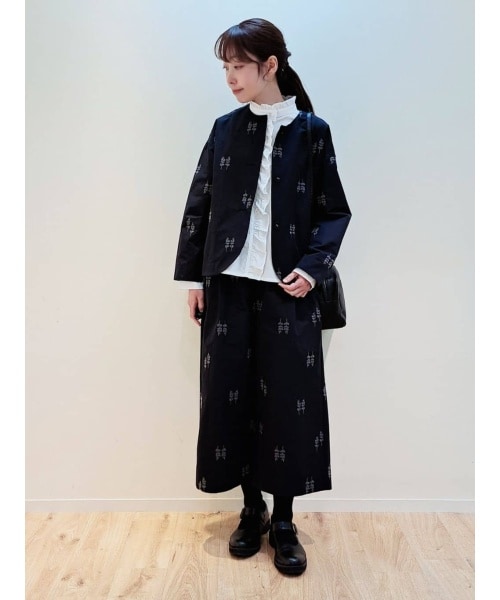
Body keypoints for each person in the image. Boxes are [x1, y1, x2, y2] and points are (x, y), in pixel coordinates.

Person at [174, 17, 351, 576]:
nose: (230, 77)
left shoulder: (312, 131)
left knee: (288, 403)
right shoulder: (225, 129)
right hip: (227, 287)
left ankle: (285, 520)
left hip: (286, 291)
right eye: (225, 67)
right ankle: (251, 510)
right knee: (232, 398)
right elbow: (199, 204)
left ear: (269, 66)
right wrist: (194, 280)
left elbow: (334, 211)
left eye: (239, 66)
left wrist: (313, 269)